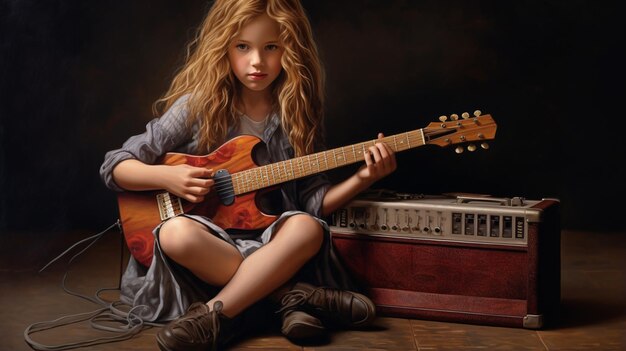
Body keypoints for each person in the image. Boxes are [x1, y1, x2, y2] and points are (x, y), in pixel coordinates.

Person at [100, 0, 397, 350]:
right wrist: (167, 178)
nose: (257, 61)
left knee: (306, 227)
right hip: (208, 246)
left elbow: (314, 202)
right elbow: (116, 165)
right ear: (223, 47)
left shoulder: (297, 113)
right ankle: (289, 295)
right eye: (243, 47)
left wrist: (365, 177)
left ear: (291, 49)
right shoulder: (198, 105)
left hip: (270, 244)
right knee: (175, 234)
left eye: (271, 47)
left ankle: (214, 315)